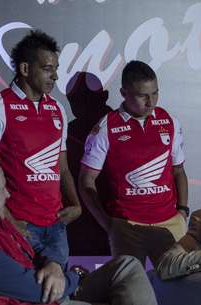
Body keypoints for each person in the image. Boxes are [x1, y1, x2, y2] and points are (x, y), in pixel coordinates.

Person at [0, 155, 158, 305]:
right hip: (46, 298)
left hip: (57, 288)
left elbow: (37, 245)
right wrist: (75, 277)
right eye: (3, 188)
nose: (8, 195)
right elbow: (36, 291)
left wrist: (53, 264)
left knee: (127, 265)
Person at [0, 30, 81, 282]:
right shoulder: (0, 106)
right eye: (47, 68)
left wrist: (75, 204)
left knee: (55, 295)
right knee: (21, 294)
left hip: (55, 225)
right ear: (24, 68)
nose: (55, 76)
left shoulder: (57, 109)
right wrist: (7, 218)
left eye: (55, 68)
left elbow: (62, 167)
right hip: (18, 224)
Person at [79, 60, 188, 266]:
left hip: (170, 223)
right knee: (130, 290)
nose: (151, 102)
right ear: (123, 92)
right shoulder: (105, 127)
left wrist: (183, 211)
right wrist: (109, 225)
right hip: (127, 226)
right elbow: (86, 181)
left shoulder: (169, 121)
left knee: (178, 288)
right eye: (142, 96)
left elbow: (179, 171)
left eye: (155, 93)